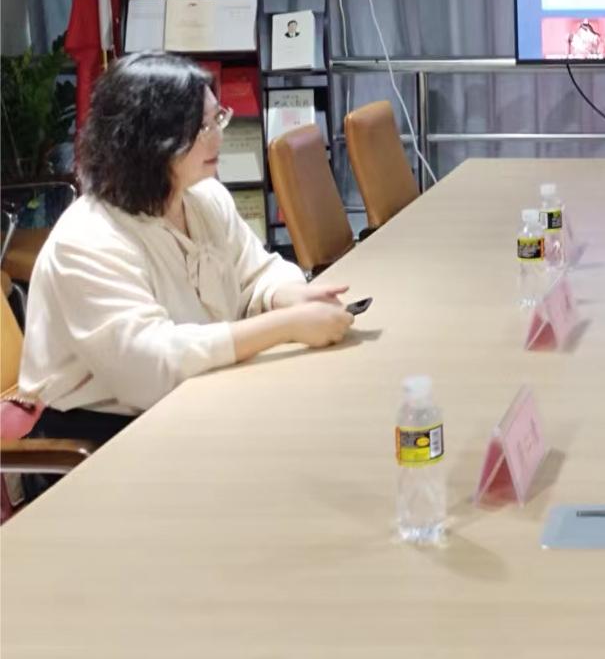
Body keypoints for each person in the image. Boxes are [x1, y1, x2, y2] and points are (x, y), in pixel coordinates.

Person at [17, 52, 354, 454]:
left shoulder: (203, 197)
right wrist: (285, 325)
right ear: (147, 142)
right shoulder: (87, 239)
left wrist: (287, 295)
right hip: (105, 437)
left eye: (217, 119)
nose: (217, 137)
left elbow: (256, 271)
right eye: (199, 128)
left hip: (199, 398)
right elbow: (151, 369)